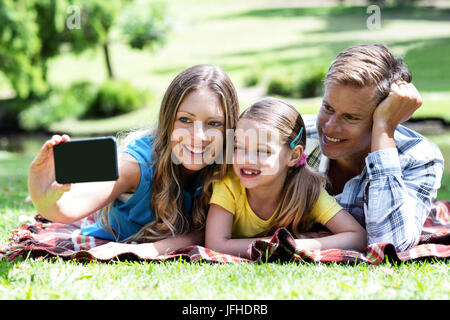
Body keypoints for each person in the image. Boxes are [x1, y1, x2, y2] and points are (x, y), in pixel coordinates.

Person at [28, 64, 240, 257]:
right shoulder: (139, 164)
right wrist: (43, 197)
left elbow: (204, 234)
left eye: (214, 123)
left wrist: (142, 249)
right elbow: (69, 210)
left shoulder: (229, 167)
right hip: (109, 229)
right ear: (168, 121)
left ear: (229, 128)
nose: (199, 136)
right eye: (185, 120)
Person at [303, 44, 444, 252]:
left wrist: (384, 130)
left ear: (384, 114)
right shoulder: (297, 136)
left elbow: (389, 244)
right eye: (328, 108)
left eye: (351, 117)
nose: (330, 126)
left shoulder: (419, 157)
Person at [205, 98, 366, 258]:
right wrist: (284, 243)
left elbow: (357, 237)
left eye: (262, 151)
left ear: (294, 156)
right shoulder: (228, 183)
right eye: (238, 147)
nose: (246, 159)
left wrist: (298, 244)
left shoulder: (307, 189)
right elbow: (215, 245)